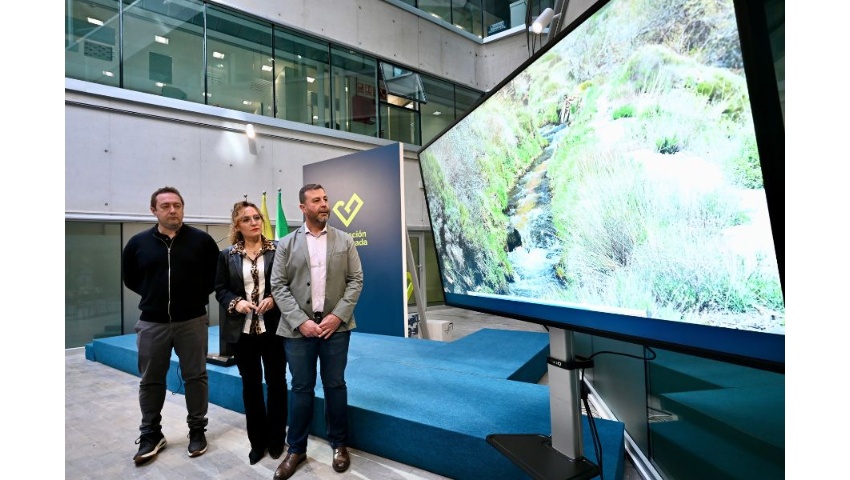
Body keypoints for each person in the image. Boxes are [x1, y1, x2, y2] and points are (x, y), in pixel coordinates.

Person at [270, 184, 364, 480]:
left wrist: (338, 316)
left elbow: (356, 280)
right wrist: (300, 321)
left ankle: (339, 444)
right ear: (303, 208)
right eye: (317, 201)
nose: (324, 204)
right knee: (301, 388)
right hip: (299, 331)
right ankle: (296, 449)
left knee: (335, 385)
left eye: (325, 199)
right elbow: (279, 286)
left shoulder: (345, 240)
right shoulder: (285, 243)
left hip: (336, 329)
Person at [121, 186, 220, 466]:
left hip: (192, 320)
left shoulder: (202, 241)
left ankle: (197, 430)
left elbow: (215, 276)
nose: (172, 210)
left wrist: (194, 297)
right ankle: (152, 434)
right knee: (151, 380)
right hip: (152, 323)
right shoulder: (138, 243)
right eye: (165, 206)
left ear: (183, 208)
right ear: (154, 210)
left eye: (177, 205)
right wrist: (153, 296)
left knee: (196, 377)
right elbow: (131, 278)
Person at [214, 201, 288, 465]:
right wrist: (237, 303)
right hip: (242, 333)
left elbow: (287, 283)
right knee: (251, 387)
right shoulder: (227, 255)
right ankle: (257, 442)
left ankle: (278, 439)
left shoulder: (278, 250)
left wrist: (274, 298)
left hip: (274, 330)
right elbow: (220, 290)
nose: (255, 222)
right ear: (237, 225)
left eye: (257, 217)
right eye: (247, 219)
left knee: (277, 384)